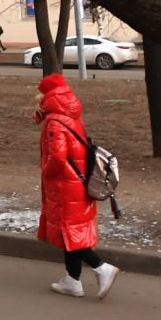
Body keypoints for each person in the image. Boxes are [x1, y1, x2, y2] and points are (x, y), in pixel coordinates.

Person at [35, 73, 119, 299]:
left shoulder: (55, 121)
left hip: (64, 185)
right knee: (68, 230)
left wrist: (46, 173)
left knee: (68, 231)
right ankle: (72, 281)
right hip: (76, 182)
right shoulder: (70, 116)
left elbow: (58, 157)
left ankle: (102, 268)